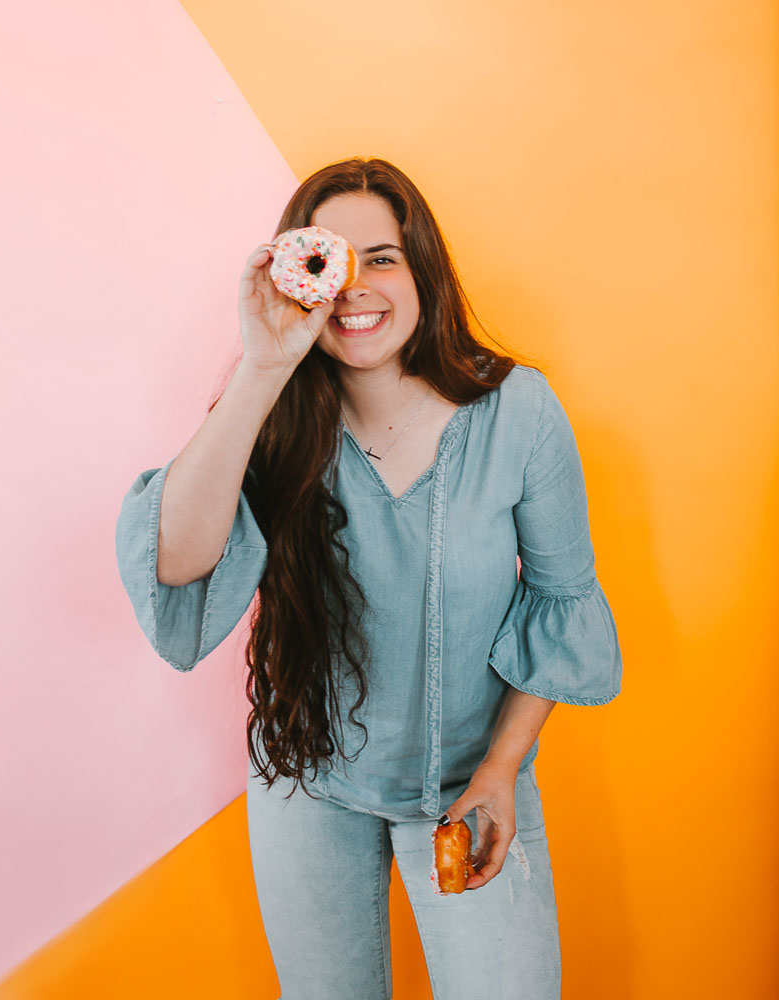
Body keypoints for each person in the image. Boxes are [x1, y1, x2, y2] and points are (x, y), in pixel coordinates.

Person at [115, 156, 622, 1000]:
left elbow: (560, 601)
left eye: (380, 257)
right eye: (329, 263)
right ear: (298, 277)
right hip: (309, 785)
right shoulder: (274, 417)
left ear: (423, 267)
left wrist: (501, 768)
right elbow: (176, 562)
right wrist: (264, 365)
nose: (355, 285)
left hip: (473, 780)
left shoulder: (518, 410)